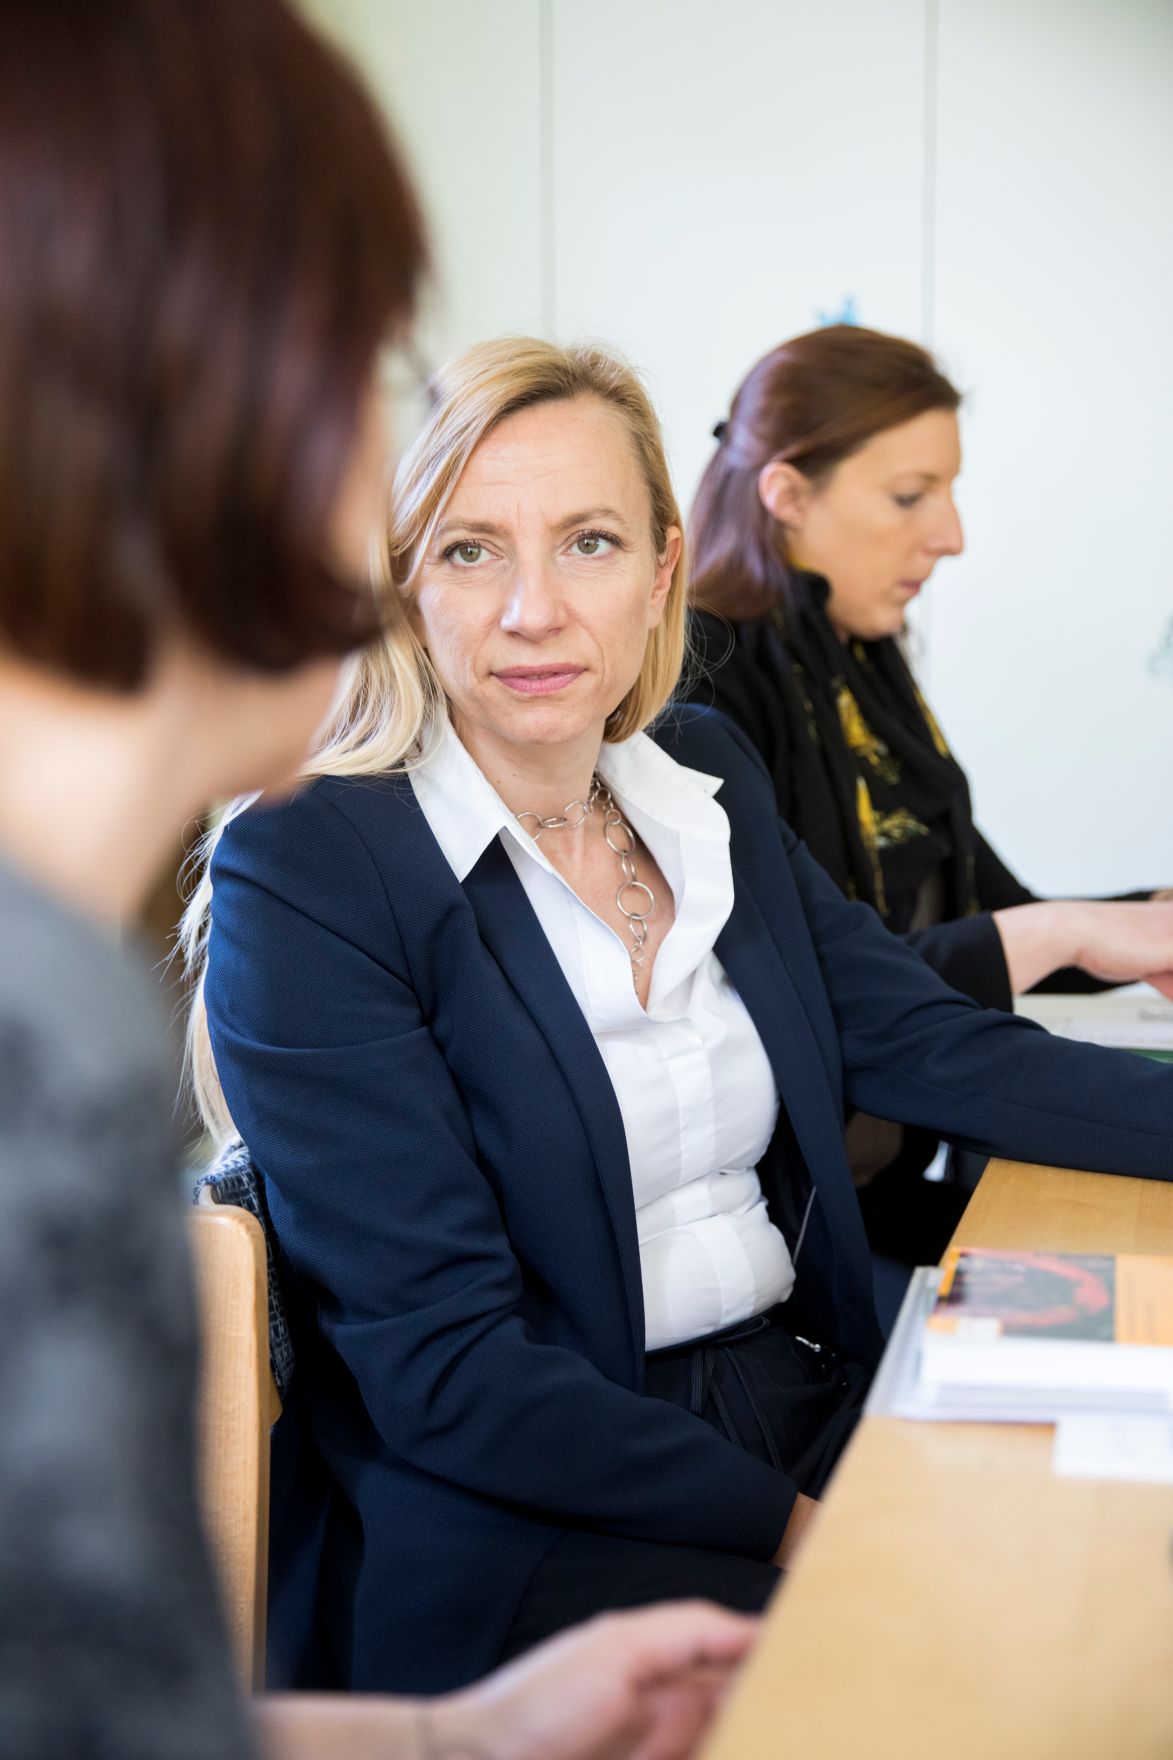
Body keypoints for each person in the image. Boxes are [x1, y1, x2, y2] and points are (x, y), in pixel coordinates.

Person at [185, 335, 1173, 1701]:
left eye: (586, 543)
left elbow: (929, 1041)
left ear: (659, 572)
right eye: (472, 549)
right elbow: (451, 1372)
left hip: (804, 1392)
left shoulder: (698, 777)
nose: (533, 609)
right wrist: (811, 1534)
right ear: (408, 587)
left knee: (1108, 1583)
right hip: (535, 1509)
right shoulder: (313, 865)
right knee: (965, 1680)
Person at [0, 4, 754, 1758]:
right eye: (365, 368)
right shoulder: (50, 1033)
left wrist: (447, 1739)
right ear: (208, 401)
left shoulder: (68, 998)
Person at [685, 325, 1173, 1260]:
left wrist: (1142, 917)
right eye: (910, 496)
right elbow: (818, 1006)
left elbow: (997, 914)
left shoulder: (860, 652)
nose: (950, 536)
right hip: (807, 1225)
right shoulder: (706, 689)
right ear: (785, 495)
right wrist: (1062, 932)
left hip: (906, 1167)